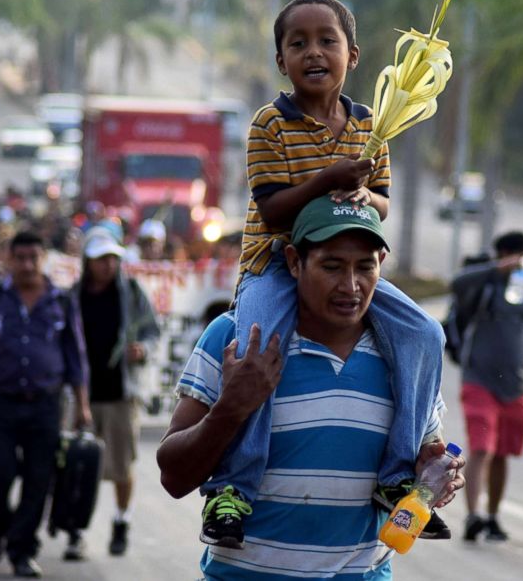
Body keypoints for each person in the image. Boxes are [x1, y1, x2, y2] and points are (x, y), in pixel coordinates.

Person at [200, 0, 446, 548]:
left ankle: (395, 475)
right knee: (259, 347)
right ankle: (233, 488)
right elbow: (273, 208)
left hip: (348, 268)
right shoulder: (269, 125)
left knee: (426, 332)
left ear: (352, 56)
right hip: (277, 265)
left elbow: (382, 202)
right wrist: (329, 181)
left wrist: (363, 194)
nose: (314, 52)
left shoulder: (372, 124)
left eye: (327, 41)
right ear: (281, 61)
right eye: (298, 43)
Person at [158, 195, 464, 579]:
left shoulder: (406, 355)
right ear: (293, 262)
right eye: (332, 266)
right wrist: (230, 409)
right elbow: (173, 477)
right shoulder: (236, 341)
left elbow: (424, 462)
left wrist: (433, 477)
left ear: (381, 266)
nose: (350, 286)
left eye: (365, 267)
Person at [0, 230, 92, 579]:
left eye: (34, 258)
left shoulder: (60, 301)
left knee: (38, 480)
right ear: (9, 259)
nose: (28, 265)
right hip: (1, 402)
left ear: (44, 259)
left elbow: (76, 356)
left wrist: (83, 405)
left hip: (46, 406)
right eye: (21, 258)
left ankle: (21, 551)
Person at [451, 231, 523, 542]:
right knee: (482, 447)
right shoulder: (483, 283)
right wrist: (496, 269)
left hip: (517, 384)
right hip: (479, 379)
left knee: (503, 454)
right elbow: (457, 284)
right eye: (515, 255)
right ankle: (472, 516)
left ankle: (493, 517)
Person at [64, 231, 160, 560]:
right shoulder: (72, 297)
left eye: (113, 258)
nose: (109, 265)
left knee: (121, 467)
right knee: (75, 467)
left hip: (120, 394)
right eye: (102, 259)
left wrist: (142, 349)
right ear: (87, 262)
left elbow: (152, 331)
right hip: (82, 396)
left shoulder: (131, 293)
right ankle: (75, 532)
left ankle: (121, 522)